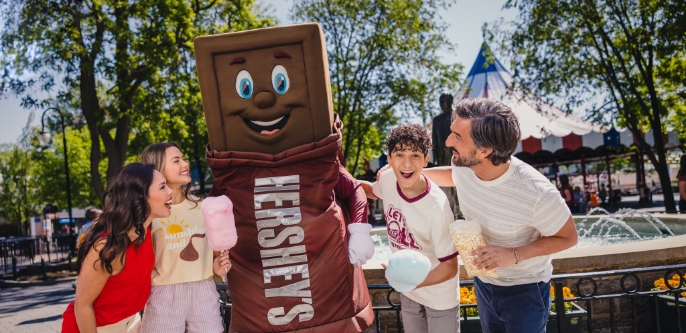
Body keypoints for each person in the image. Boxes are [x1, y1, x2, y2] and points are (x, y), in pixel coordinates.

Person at [420, 98, 578, 333]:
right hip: (484, 284)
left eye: (458, 137)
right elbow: (452, 176)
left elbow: (569, 238)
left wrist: (513, 255)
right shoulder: (465, 167)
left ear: (485, 151)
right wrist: (411, 174)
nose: (447, 141)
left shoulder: (536, 193)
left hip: (525, 290)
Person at [360, 124, 460, 332]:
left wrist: (408, 281)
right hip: (409, 293)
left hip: (439, 297)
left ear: (425, 160)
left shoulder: (437, 207)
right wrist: (335, 178)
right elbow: (370, 190)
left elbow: (450, 267)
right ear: (389, 159)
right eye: (399, 155)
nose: (406, 163)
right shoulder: (388, 179)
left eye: (415, 155)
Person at [61, 163, 173, 333]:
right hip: (95, 327)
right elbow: (82, 305)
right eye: (162, 187)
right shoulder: (108, 246)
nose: (170, 191)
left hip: (131, 321)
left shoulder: (147, 231)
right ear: (140, 196)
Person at [140, 142, 230, 333]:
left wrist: (218, 267)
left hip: (204, 291)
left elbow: (215, 256)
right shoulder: (149, 214)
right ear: (157, 169)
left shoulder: (205, 207)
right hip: (163, 295)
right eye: (176, 160)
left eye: (184, 158)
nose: (185, 163)